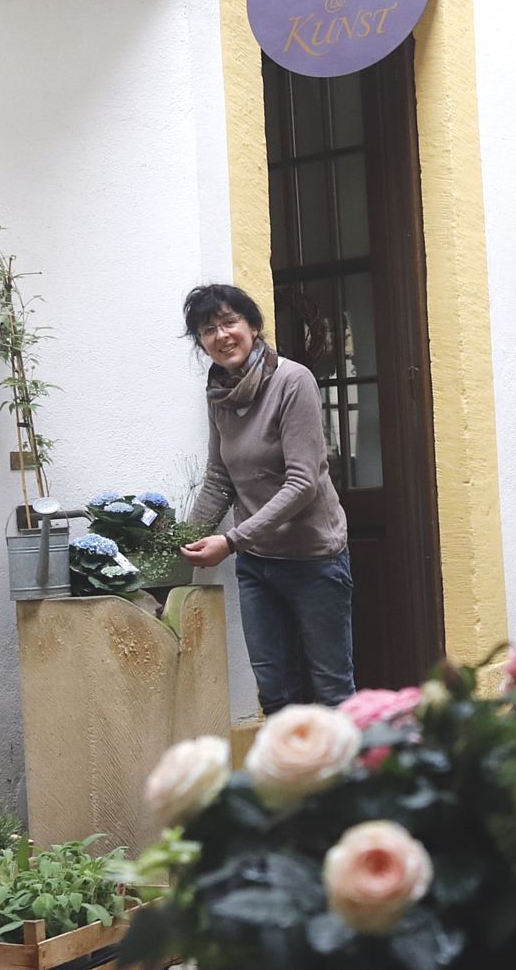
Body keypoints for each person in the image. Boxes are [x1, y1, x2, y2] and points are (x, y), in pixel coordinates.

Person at [179, 283, 355, 713]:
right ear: (201, 344)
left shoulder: (292, 381)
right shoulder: (220, 393)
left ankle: (349, 779)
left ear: (253, 326)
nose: (221, 335)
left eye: (229, 322)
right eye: (207, 329)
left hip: (314, 559)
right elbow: (220, 478)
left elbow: (302, 483)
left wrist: (232, 541)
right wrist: (178, 540)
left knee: (331, 690)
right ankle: (291, 780)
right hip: (258, 566)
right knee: (275, 692)